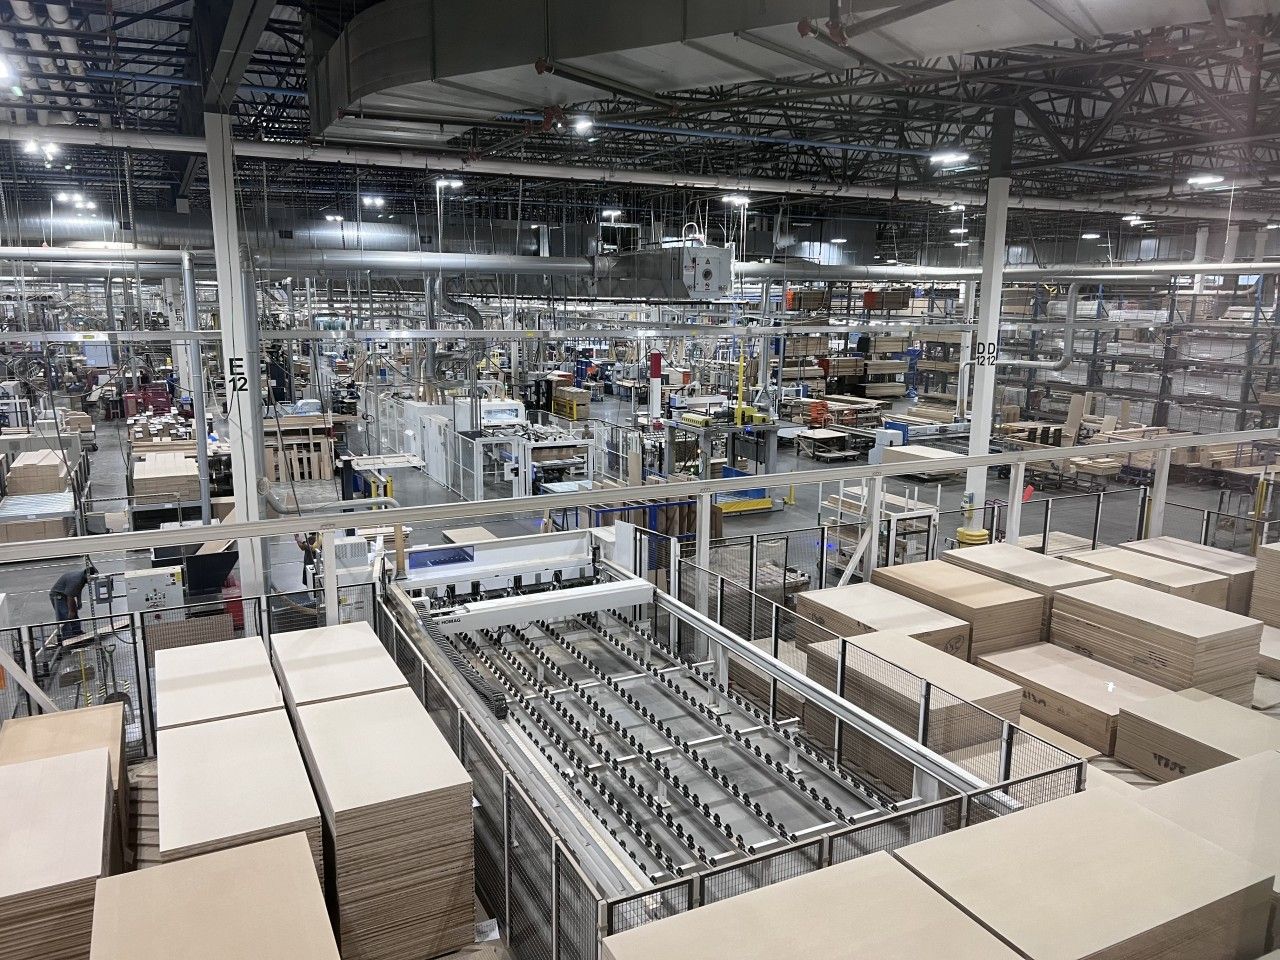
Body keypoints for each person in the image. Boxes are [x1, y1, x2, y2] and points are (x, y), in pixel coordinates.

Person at [50, 562, 96, 641]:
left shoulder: (82, 578)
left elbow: (78, 590)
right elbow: (70, 597)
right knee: (65, 614)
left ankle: (76, 632)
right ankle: (67, 636)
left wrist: (79, 601)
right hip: (58, 596)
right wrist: (71, 611)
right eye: (91, 579)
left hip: (66, 594)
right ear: (88, 576)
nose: (91, 581)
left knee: (74, 613)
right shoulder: (76, 579)